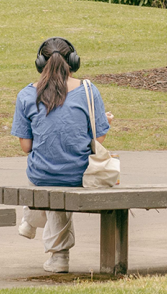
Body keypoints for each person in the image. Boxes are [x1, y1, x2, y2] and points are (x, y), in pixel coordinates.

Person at [11, 35, 113, 274]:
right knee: (63, 179)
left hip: (41, 174)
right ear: (74, 61)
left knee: (49, 181)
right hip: (80, 174)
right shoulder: (89, 90)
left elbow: (26, 147)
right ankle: (58, 255)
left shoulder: (26, 95)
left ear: (39, 63)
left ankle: (34, 221)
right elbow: (98, 139)